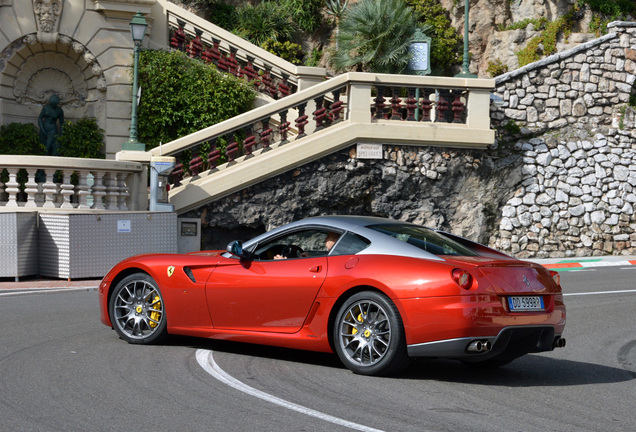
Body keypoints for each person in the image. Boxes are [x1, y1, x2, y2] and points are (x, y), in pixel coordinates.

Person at [274, 231, 340, 260]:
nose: (326, 239)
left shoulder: (337, 258)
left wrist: (284, 264)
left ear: (337, 240)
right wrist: (308, 259)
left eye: (328, 237)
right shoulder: (338, 255)